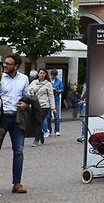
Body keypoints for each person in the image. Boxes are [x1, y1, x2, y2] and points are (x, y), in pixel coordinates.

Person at [1, 54, 30, 194]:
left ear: (16, 66)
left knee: (19, 151)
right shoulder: (0, 77)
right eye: (4, 63)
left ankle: (17, 184)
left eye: (8, 63)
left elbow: (27, 95)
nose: (5, 65)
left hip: (17, 119)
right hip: (1, 119)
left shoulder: (24, 79)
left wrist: (26, 103)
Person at [27, 69, 54, 147]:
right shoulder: (33, 82)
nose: (42, 74)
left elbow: (51, 96)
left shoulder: (48, 84)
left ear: (45, 75)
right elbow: (29, 91)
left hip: (45, 106)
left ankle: (36, 139)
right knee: (35, 122)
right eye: (40, 73)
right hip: (35, 105)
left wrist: (53, 108)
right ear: (38, 74)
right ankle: (41, 134)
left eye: (43, 73)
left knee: (39, 121)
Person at [49, 70, 63, 136]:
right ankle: (49, 130)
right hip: (48, 100)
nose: (53, 76)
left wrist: (58, 90)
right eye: (52, 75)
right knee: (48, 116)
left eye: (54, 75)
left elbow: (62, 90)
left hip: (56, 99)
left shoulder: (59, 81)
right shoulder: (47, 81)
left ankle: (57, 130)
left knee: (56, 116)